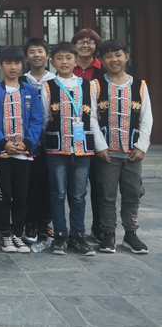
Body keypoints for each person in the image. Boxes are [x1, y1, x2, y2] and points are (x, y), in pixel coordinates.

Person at [41, 42, 106, 256]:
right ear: (52, 62)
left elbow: (93, 117)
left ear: (76, 61)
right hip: (56, 149)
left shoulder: (89, 86)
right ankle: (60, 235)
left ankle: (77, 236)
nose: (64, 62)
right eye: (59, 58)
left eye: (68, 58)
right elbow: (44, 118)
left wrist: (100, 145)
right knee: (57, 193)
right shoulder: (48, 86)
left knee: (78, 195)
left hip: (82, 149)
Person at [93, 39, 153, 254]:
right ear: (101, 60)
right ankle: (108, 233)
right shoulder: (96, 85)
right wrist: (100, 146)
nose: (114, 59)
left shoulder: (139, 85)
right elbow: (91, 118)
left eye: (118, 55)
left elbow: (147, 118)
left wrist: (142, 146)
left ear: (126, 57)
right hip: (107, 153)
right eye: (108, 56)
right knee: (106, 194)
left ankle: (131, 233)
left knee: (132, 193)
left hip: (132, 152)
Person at [0, 46, 43, 254]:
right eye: (8, 63)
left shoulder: (30, 91)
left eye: (17, 63)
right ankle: (5, 235)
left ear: (22, 65)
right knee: (4, 195)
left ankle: (18, 234)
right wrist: (3, 143)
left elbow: (37, 119)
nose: (12, 67)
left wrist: (27, 142)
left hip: (24, 154)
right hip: (1, 153)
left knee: (21, 195)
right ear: (0, 65)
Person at [21, 38, 56, 242]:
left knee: (49, 184)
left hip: (52, 141)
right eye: (32, 52)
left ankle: (45, 222)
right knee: (30, 184)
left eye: (40, 51)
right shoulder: (22, 81)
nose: (36, 55)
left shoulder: (56, 81)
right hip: (28, 142)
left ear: (47, 55)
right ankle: (30, 223)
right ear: (26, 57)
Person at [71, 28, 105, 241]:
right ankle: (74, 229)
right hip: (72, 136)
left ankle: (99, 226)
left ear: (96, 46)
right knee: (75, 188)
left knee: (99, 184)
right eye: (81, 41)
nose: (85, 45)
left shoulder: (104, 70)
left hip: (98, 134)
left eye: (90, 42)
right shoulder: (67, 67)